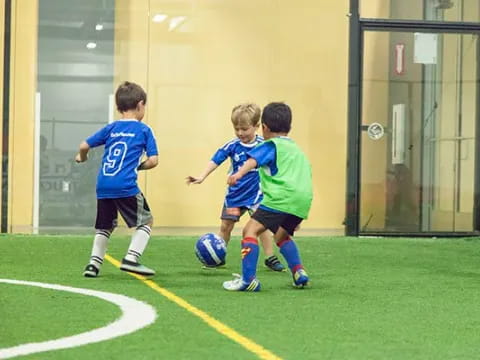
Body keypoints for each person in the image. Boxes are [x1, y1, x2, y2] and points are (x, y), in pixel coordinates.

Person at [223, 102, 313, 291]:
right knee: (281, 236)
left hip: (279, 199)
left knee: (250, 231)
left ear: (264, 127)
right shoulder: (297, 150)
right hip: (301, 200)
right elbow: (306, 175)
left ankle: (248, 280)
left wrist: (237, 175)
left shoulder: (271, 145)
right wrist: (298, 210)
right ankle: (299, 271)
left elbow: (252, 160)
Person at [186, 103, 285, 272]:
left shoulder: (264, 145)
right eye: (236, 129)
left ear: (256, 126)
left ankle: (270, 257)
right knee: (226, 226)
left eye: (244, 129)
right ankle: (218, 255)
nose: (240, 133)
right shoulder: (232, 145)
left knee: (260, 227)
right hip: (235, 195)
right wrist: (202, 176)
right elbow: (216, 159)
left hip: (256, 195)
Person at [75, 81, 159, 277]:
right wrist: (138, 166)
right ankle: (131, 258)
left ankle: (93, 265)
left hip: (103, 185)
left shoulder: (111, 128)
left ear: (119, 107)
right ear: (140, 105)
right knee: (146, 222)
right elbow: (153, 161)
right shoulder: (144, 130)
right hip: (125, 185)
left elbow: (84, 145)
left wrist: (82, 158)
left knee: (104, 226)